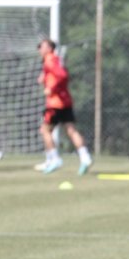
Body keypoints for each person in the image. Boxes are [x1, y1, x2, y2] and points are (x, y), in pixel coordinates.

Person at [37, 39, 92, 175]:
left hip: (55, 103)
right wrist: (44, 78)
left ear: (50, 48)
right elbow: (61, 75)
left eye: (41, 46)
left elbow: (62, 75)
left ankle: (54, 159)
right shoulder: (55, 59)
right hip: (65, 100)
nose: (39, 49)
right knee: (71, 130)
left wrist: (51, 88)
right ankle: (85, 157)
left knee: (45, 130)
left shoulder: (50, 59)